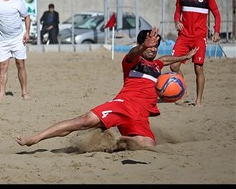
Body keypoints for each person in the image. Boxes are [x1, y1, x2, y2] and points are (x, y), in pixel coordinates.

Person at [16, 28, 198, 151]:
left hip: (140, 114)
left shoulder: (157, 65)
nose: (153, 50)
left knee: (148, 145)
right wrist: (143, 46)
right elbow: (132, 53)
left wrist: (186, 56)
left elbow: (166, 59)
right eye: (150, 46)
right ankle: (36, 138)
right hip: (123, 104)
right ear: (141, 45)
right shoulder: (132, 62)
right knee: (83, 121)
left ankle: (120, 142)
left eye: (156, 47)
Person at [170, 0, 221, 107]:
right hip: (184, 36)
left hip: (199, 37)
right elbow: (177, 11)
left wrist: (216, 31)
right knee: (174, 65)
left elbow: (216, 14)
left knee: (198, 68)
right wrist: (176, 20)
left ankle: (198, 101)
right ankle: (184, 91)